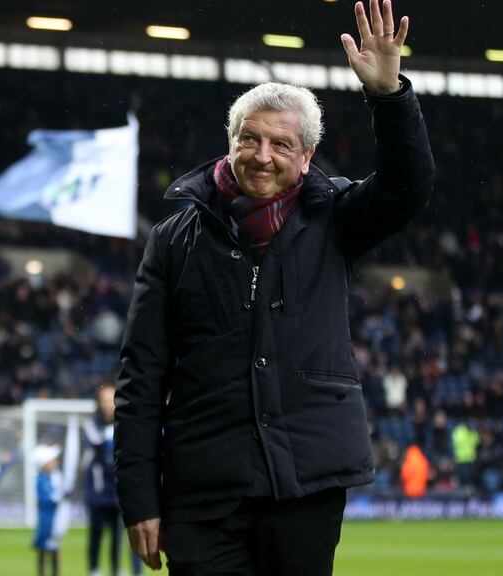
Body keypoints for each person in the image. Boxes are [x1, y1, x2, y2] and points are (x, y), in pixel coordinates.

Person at [114, 1, 435, 573]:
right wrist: (139, 496)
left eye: (282, 145)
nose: (262, 157)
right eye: (250, 139)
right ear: (230, 140)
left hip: (305, 484)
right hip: (202, 492)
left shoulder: (334, 215)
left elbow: (408, 189)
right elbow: (141, 377)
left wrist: (390, 99)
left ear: (307, 155)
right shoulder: (172, 240)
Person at [84, 384, 142, 576]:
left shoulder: (124, 422)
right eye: (105, 400)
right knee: (96, 532)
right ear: (99, 402)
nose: (109, 404)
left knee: (119, 535)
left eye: (111, 399)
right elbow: (98, 446)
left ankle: (116, 569)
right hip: (99, 492)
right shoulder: (92, 425)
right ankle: (94, 569)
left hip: (120, 490)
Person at [31, 444, 63, 576]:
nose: (56, 463)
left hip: (54, 522)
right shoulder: (41, 479)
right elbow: (47, 498)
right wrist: (59, 496)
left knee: (55, 550)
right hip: (46, 522)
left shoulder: (53, 477)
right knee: (43, 551)